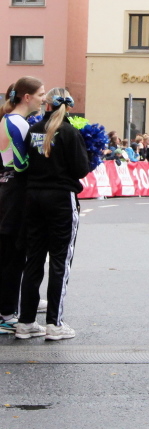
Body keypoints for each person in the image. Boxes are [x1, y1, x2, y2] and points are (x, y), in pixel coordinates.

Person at [16, 88, 89, 340]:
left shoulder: (34, 130)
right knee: (60, 260)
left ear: (46, 104)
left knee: (34, 259)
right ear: (68, 106)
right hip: (61, 198)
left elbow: (25, 163)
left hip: (34, 197)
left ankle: (25, 321)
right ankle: (55, 324)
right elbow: (81, 169)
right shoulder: (70, 132)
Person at [0, 76, 46, 335]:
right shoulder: (17, 122)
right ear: (27, 97)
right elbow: (21, 164)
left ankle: (9, 308)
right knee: (13, 255)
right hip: (15, 192)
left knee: (11, 253)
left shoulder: (11, 119)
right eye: (40, 94)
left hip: (9, 189)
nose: (44, 99)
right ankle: (6, 314)